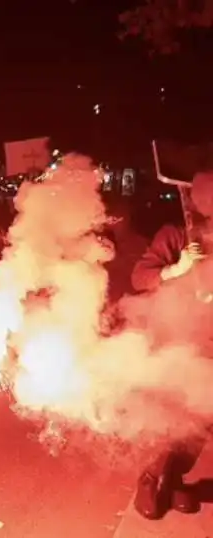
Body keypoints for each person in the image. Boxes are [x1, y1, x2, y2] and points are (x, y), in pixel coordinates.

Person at [131, 171, 213, 520]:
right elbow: (140, 277)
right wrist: (177, 268)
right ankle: (150, 478)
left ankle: (177, 476)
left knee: (202, 419)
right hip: (176, 339)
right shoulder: (176, 235)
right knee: (171, 417)